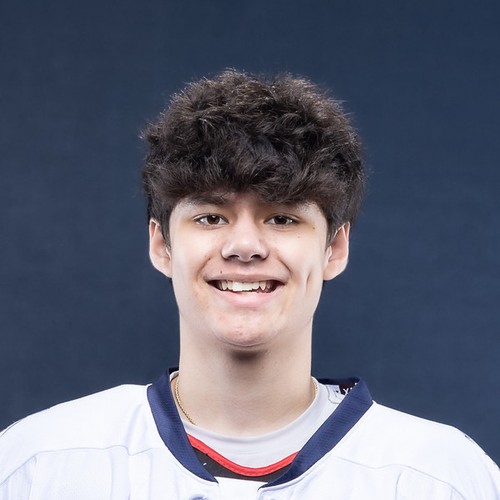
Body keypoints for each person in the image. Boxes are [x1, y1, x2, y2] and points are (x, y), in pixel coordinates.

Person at [0, 70, 498, 499]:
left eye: (282, 218)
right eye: (211, 217)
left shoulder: (439, 478)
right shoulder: (41, 465)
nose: (244, 246)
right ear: (161, 245)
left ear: (335, 248)